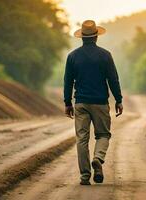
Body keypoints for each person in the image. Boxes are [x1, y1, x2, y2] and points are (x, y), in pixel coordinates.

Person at [63, 20, 123, 185]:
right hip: (100, 103)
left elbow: (67, 82)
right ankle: (98, 158)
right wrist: (118, 99)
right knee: (103, 135)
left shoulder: (72, 56)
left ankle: (84, 176)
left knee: (81, 139)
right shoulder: (105, 55)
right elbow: (113, 79)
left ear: (82, 37)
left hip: (81, 103)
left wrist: (67, 103)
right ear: (96, 36)